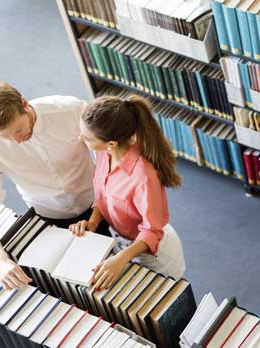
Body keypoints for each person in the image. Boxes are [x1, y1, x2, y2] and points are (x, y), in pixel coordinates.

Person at [0, 80, 96, 290]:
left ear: (25, 104)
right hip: (49, 217)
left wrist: (99, 210)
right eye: (8, 137)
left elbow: (108, 155)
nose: (18, 141)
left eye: (18, 130)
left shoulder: (70, 110)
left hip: (99, 201)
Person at [69, 94, 186, 290]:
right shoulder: (103, 152)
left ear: (112, 143)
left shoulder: (143, 177)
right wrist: (93, 221)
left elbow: (152, 230)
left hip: (153, 253)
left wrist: (120, 259)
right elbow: (103, 194)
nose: (81, 139)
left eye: (87, 138)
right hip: (122, 242)